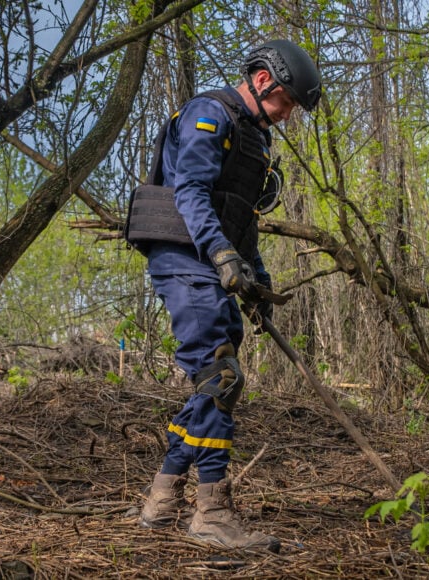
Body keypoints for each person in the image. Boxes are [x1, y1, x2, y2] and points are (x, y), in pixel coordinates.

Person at [130, 40, 321, 553]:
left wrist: (256, 280)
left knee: (220, 384)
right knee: (220, 375)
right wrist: (220, 255)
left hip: (212, 262)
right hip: (183, 257)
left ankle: (162, 500)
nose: (287, 116)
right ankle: (211, 513)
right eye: (285, 103)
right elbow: (190, 192)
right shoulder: (208, 115)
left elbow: (242, 220)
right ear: (263, 82)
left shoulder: (254, 139)